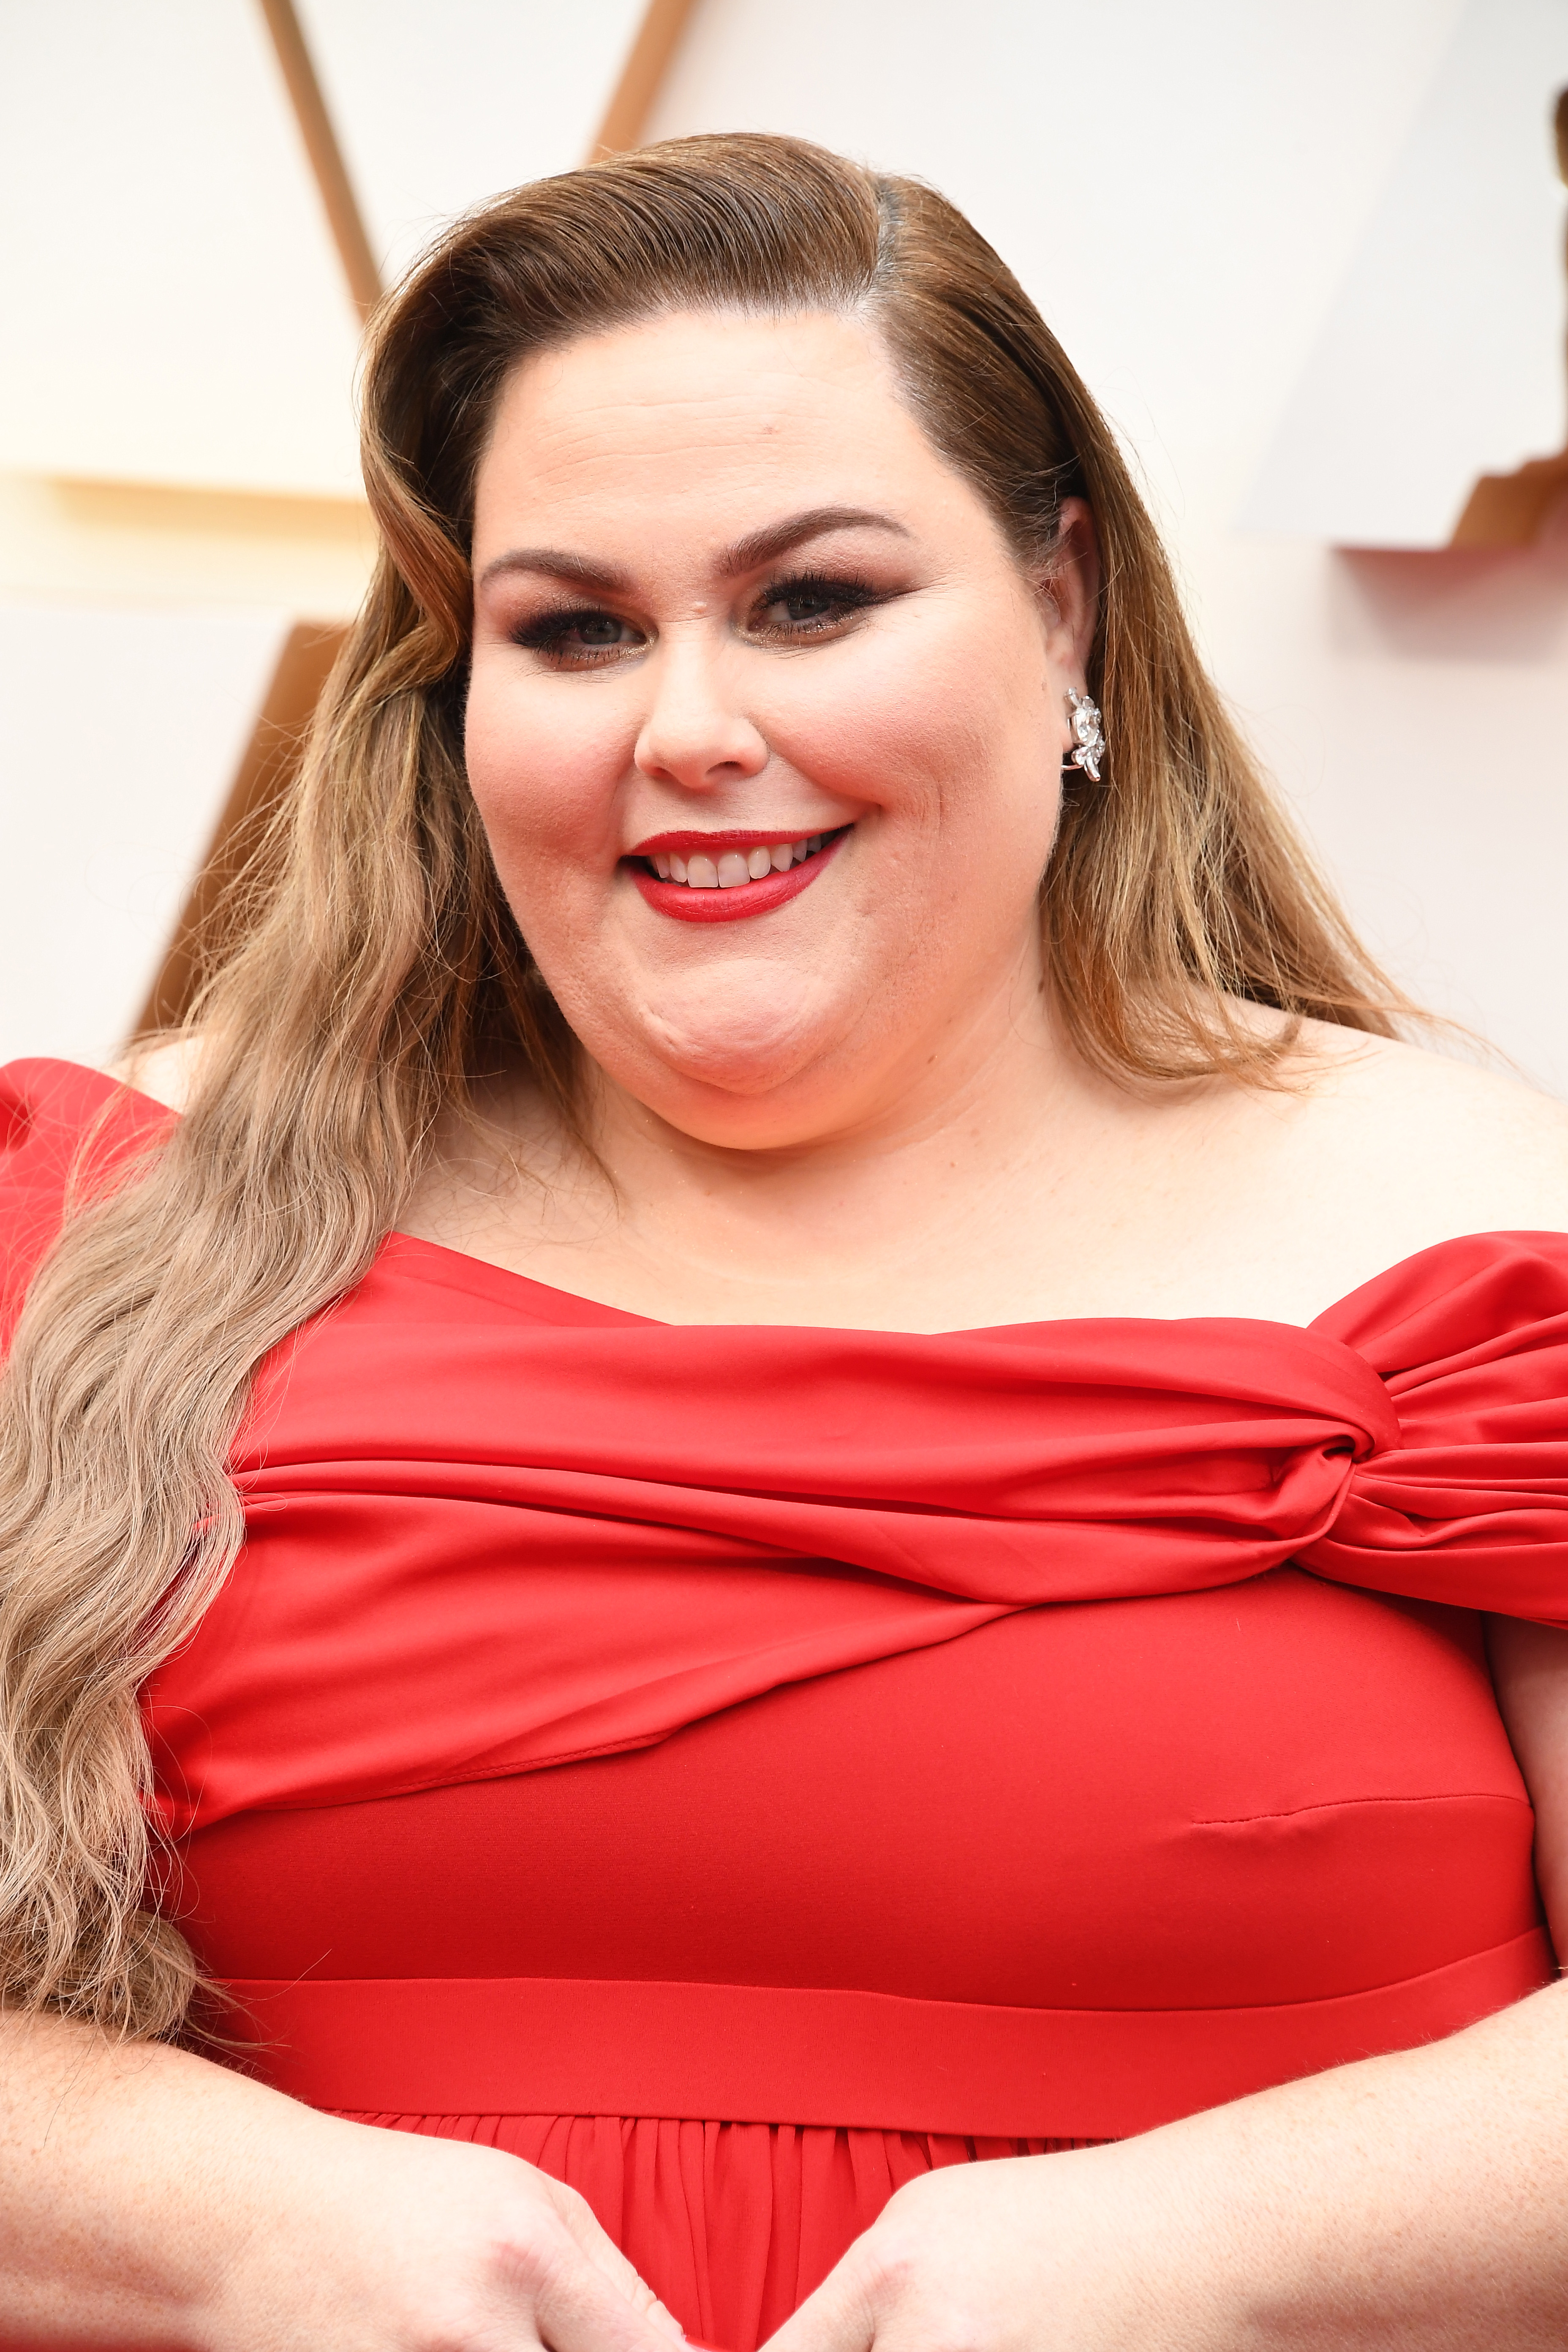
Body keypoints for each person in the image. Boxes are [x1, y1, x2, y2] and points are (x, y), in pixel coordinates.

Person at [3, 130, 1568, 2352]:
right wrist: (211, 2218)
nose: (693, 729)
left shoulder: (1477, 1235)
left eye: (812, 601)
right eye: (575, 630)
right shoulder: (103, 1215)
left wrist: (1210, 2251)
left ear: (1061, 603)